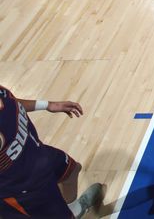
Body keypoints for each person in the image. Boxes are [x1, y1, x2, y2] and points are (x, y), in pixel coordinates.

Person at [0, 85, 104, 218]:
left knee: (72, 171)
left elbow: (11, 100)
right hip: (24, 189)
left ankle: (74, 210)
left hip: (36, 152)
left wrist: (47, 105)